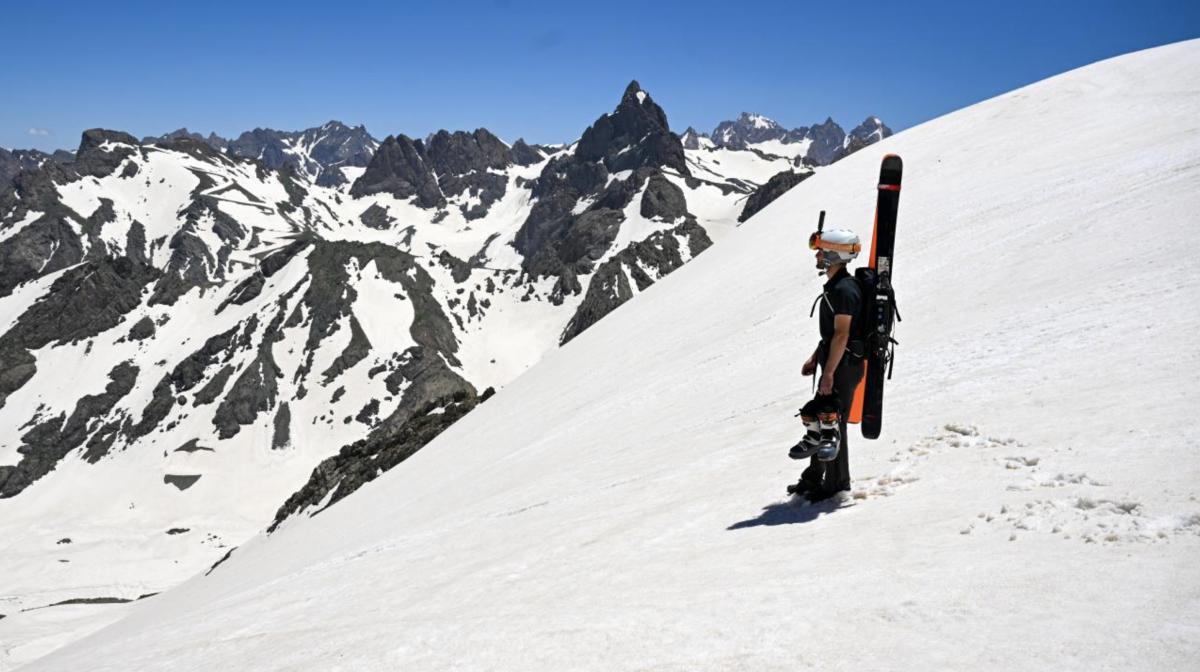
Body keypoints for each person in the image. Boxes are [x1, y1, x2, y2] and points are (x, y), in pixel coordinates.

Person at [788, 228, 864, 502]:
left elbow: (842, 334)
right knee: (825, 419)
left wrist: (829, 373)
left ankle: (837, 485)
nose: (818, 254)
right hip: (837, 361)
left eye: (822, 250)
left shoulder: (844, 290)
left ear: (835, 254)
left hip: (843, 365)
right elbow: (833, 335)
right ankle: (813, 479)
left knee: (834, 423)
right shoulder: (838, 286)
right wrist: (815, 357)